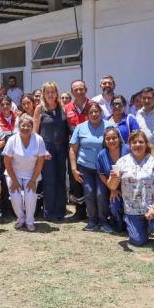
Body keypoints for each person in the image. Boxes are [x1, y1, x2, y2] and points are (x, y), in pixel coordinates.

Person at [107, 130, 154, 247]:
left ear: (146, 143)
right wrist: (113, 178)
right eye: (134, 142)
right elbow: (112, 186)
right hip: (132, 210)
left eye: (141, 142)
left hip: (153, 207)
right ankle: (145, 228)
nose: (137, 145)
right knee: (137, 241)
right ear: (129, 145)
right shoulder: (122, 162)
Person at [69, 102, 114, 232]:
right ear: (87, 115)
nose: (94, 114)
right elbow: (73, 149)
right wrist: (73, 169)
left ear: (101, 113)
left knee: (101, 194)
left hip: (103, 168)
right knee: (89, 193)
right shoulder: (80, 127)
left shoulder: (110, 126)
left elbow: (117, 146)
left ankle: (104, 222)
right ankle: (92, 221)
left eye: (96, 112)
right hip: (85, 167)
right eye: (91, 112)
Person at [3, 114, 47, 231]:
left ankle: (29, 221)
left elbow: (40, 162)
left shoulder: (38, 139)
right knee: (15, 196)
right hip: (14, 173)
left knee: (30, 196)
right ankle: (21, 218)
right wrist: (14, 180)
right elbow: (7, 161)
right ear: (18, 126)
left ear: (32, 127)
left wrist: (33, 180)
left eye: (28, 126)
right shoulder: (12, 139)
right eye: (23, 125)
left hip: (32, 173)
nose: (25, 128)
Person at [33, 81, 70, 220]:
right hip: (47, 148)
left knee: (61, 178)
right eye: (47, 92)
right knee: (49, 180)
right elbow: (35, 133)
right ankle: (49, 212)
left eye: (52, 92)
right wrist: (41, 150)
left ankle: (60, 210)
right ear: (43, 94)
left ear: (56, 93)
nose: (50, 94)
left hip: (61, 147)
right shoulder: (39, 109)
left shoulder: (63, 108)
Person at [64, 79, 91, 220]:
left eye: (81, 89)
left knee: (91, 178)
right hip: (73, 148)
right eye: (76, 89)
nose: (79, 91)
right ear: (72, 91)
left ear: (86, 89)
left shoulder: (93, 105)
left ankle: (94, 210)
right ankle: (80, 211)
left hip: (90, 149)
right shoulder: (67, 107)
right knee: (76, 179)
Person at [97, 126, 130, 232]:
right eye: (108, 138)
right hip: (113, 186)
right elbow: (101, 174)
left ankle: (131, 224)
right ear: (104, 140)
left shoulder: (128, 149)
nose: (111, 141)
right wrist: (112, 189)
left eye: (114, 138)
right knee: (114, 204)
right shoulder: (102, 154)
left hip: (131, 187)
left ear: (119, 138)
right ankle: (119, 225)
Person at [0, 96, 17, 218]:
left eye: (7, 104)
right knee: (4, 182)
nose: (5, 107)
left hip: (18, 157)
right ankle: (5, 209)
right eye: (2, 105)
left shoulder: (18, 118)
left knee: (16, 181)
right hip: (3, 157)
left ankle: (17, 208)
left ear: (11, 105)